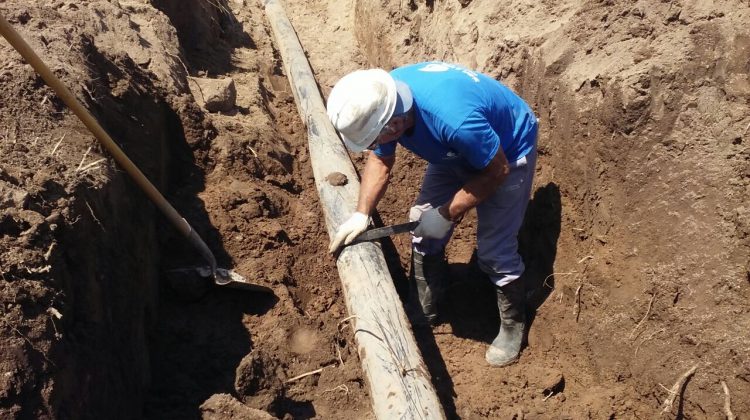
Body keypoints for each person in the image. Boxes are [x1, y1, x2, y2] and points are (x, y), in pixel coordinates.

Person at [325, 61, 538, 367]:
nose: (372, 147)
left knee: (495, 250)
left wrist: (447, 213)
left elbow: (497, 171)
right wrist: (362, 214)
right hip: (451, 149)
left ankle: (513, 325)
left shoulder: (454, 120)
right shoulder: (385, 99)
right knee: (421, 221)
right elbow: (381, 161)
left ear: (394, 126)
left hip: (508, 150)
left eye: (373, 140)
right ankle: (426, 304)